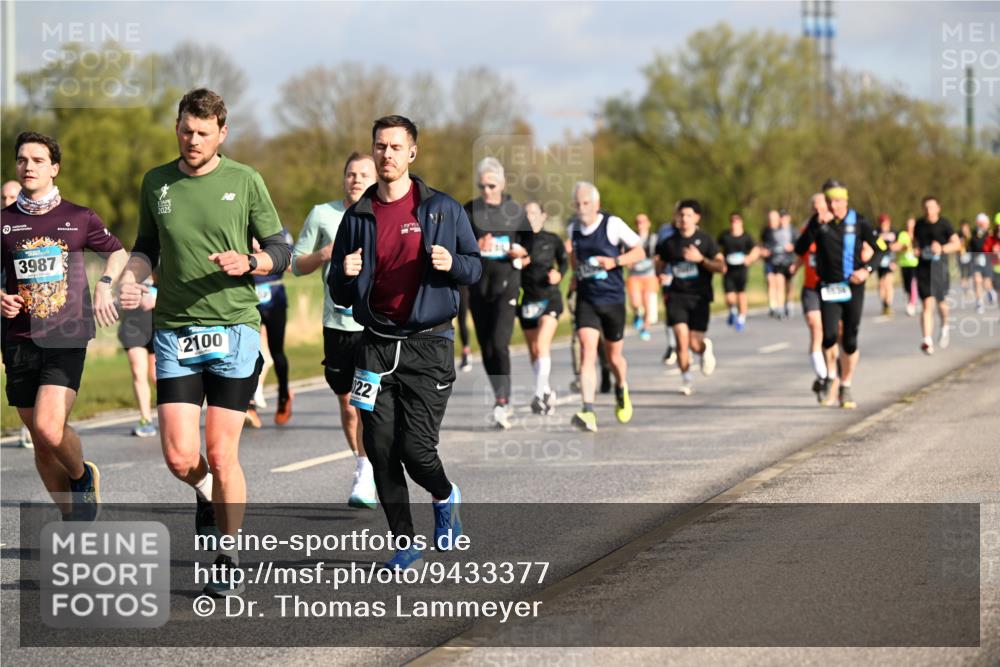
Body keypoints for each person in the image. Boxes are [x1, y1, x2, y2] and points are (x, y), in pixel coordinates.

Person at [118, 89, 291, 597]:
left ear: (221, 132)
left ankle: (228, 553)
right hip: (174, 329)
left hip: (234, 327)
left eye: (202, 132)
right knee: (178, 455)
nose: (191, 140)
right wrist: (132, 277)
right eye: (184, 130)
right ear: (177, 127)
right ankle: (209, 495)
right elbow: (146, 247)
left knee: (220, 450)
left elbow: (282, 247)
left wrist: (251, 263)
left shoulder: (245, 180)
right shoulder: (157, 182)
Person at [330, 115, 480, 570]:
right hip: (374, 344)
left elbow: (473, 268)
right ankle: (404, 541)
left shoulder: (442, 209)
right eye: (380, 146)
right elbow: (337, 286)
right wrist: (345, 275)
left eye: (396, 147)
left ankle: (444, 493)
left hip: (427, 344)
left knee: (416, 451)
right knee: (378, 449)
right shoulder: (357, 216)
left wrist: (452, 262)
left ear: (412, 153)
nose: (387, 155)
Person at [2, 131, 128, 519]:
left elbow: (119, 252)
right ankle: (73, 517)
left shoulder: (78, 217)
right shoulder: (4, 221)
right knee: (41, 444)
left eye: (38, 160)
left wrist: (105, 286)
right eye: (23, 159)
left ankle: (81, 475)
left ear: (54, 168)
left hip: (67, 333)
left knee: (48, 426)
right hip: (18, 338)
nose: (28, 166)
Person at [292, 151, 378, 508]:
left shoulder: (382, 215)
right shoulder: (322, 214)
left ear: (374, 179)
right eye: (350, 174)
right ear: (343, 178)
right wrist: (323, 255)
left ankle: (369, 473)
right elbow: (296, 264)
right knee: (347, 403)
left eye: (363, 174)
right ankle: (363, 462)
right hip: (337, 324)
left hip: (374, 325)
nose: (356, 180)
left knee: (368, 402)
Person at [794, 179, 881, 409]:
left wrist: (866, 270)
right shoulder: (818, 223)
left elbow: (881, 249)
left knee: (850, 340)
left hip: (853, 286)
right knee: (829, 336)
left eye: (837, 200)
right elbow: (799, 249)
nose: (833, 205)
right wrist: (814, 225)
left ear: (845, 200)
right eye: (829, 201)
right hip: (828, 287)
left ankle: (846, 384)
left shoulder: (859, 221)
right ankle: (831, 375)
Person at [566, 181, 644, 433]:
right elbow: (574, 260)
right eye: (577, 203)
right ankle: (587, 410)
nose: (581, 208)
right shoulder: (573, 229)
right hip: (587, 300)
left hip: (612, 300)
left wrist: (614, 261)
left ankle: (621, 387)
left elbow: (639, 252)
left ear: (596, 204)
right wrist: (576, 277)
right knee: (588, 351)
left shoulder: (612, 224)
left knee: (613, 357)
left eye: (586, 203)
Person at [463, 157, 530, 430]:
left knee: (500, 343)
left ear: (502, 183)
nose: (487, 190)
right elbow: (458, 245)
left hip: (507, 286)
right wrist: (475, 245)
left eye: (491, 185)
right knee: (487, 347)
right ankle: (499, 394)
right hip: (479, 287)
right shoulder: (469, 211)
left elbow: (531, 246)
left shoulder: (515, 211)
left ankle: (503, 400)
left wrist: (522, 253)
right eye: (482, 185)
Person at [656, 199, 724, 396]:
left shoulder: (706, 240)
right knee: (681, 340)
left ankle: (704, 349)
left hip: (699, 297)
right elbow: (659, 262)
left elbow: (721, 267)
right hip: (676, 296)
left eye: (688, 215)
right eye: (681, 215)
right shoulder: (669, 243)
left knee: (694, 343)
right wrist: (660, 274)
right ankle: (686, 379)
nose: (684, 219)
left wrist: (701, 259)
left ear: (697, 218)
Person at [518, 201, 567, 415]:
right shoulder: (518, 241)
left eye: (533, 213)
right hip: (528, 301)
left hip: (550, 298)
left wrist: (559, 274)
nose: (530, 216)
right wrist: (517, 262)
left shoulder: (553, 239)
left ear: (543, 215)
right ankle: (546, 390)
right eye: (526, 213)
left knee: (542, 343)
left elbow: (563, 262)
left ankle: (538, 395)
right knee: (534, 351)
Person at [790, 193, 837, 403]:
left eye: (822, 208)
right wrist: (794, 267)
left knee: (832, 335)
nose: (818, 212)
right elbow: (802, 254)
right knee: (815, 327)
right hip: (811, 288)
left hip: (833, 287)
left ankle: (831, 373)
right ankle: (823, 375)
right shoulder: (807, 231)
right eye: (814, 208)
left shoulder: (837, 229)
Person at [248, 228, 294, 426]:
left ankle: (284, 395)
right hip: (249, 297)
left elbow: (290, 264)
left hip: (274, 297)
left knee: (277, 352)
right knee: (249, 351)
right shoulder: (241, 228)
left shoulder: (280, 232)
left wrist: (261, 256)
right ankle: (249, 404)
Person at [1, 179, 32, 448]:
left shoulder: (31, 229)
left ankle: (31, 426)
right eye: (4, 197)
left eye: (14, 196)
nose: (8, 201)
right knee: (11, 370)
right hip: (4, 319)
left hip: (32, 324)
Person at [913, 196, 961, 355]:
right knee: (927, 304)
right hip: (924, 269)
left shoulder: (945, 224)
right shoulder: (919, 225)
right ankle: (927, 340)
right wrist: (916, 250)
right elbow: (915, 243)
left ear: (938, 208)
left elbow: (957, 244)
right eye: (925, 207)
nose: (928, 210)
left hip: (940, 268)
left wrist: (941, 248)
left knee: (941, 303)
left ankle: (945, 324)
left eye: (931, 207)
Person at [117, 275, 158, 437]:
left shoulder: (160, 262)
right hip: (133, 326)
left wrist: (157, 299)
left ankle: (172, 415)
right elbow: (116, 293)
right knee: (138, 372)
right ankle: (146, 421)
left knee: (156, 376)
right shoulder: (128, 268)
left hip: (157, 325)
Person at [718, 212, 759, 332]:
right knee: (729, 296)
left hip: (741, 269)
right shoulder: (725, 236)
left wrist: (750, 258)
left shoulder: (746, 237)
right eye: (732, 221)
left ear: (741, 223)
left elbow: (756, 249)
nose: (734, 224)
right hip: (728, 269)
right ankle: (733, 310)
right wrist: (720, 262)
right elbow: (717, 250)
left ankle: (741, 318)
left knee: (741, 293)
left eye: (736, 221)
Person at [626, 214, 660, 341]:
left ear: (648, 223)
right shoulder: (630, 238)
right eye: (638, 222)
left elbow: (659, 255)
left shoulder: (654, 239)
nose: (640, 224)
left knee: (647, 302)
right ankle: (636, 314)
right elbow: (625, 253)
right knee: (635, 302)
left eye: (643, 221)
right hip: (634, 275)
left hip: (649, 274)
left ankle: (645, 328)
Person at [761, 209, 796, 319]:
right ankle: (778, 307)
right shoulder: (771, 231)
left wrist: (792, 247)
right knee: (778, 282)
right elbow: (764, 244)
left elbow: (800, 244)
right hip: (776, 261)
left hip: (789, 261)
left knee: (789, 284)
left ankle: (789, 302)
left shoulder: (792, 230)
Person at [894, 217, 920, 316]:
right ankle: (910, 300)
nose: (910, 226)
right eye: (909, 224)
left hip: (916, 263)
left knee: (914, 283)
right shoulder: (903, 235)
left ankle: (912, 303)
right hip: (904, 263)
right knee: (907, 286)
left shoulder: (918, 235)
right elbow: (897, 246)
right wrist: (900, 247)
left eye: (912, 224)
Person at [968, 213, 991, 314]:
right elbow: (970, 245)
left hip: (987, 259)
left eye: (983, 223)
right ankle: (979, 302)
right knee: (977, 280)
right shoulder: (973, 233)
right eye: (980, 223)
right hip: (976, 259)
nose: (981, 225)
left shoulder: (990, 234)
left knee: (986, 282)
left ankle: (990, 291)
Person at [875, 214, 897, 316]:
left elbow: (896, 247)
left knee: (888, 282)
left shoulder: (893, 233)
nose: (884, 225)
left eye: (886, 223)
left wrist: (894, 261)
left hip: (889, 260)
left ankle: (888, 304)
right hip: (879, 261)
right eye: (882, 223)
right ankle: (884, 304)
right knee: (881, 284)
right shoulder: (876, 233)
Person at [958, 221, 973, 297]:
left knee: (970, 273)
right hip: (961, 256)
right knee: (963, 274)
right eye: (963, 229)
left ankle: (970, 289)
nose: (964, 230)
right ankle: (965, 290)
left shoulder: (972, 235)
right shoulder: (958, 235)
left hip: (970, 256)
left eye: (965, 228)